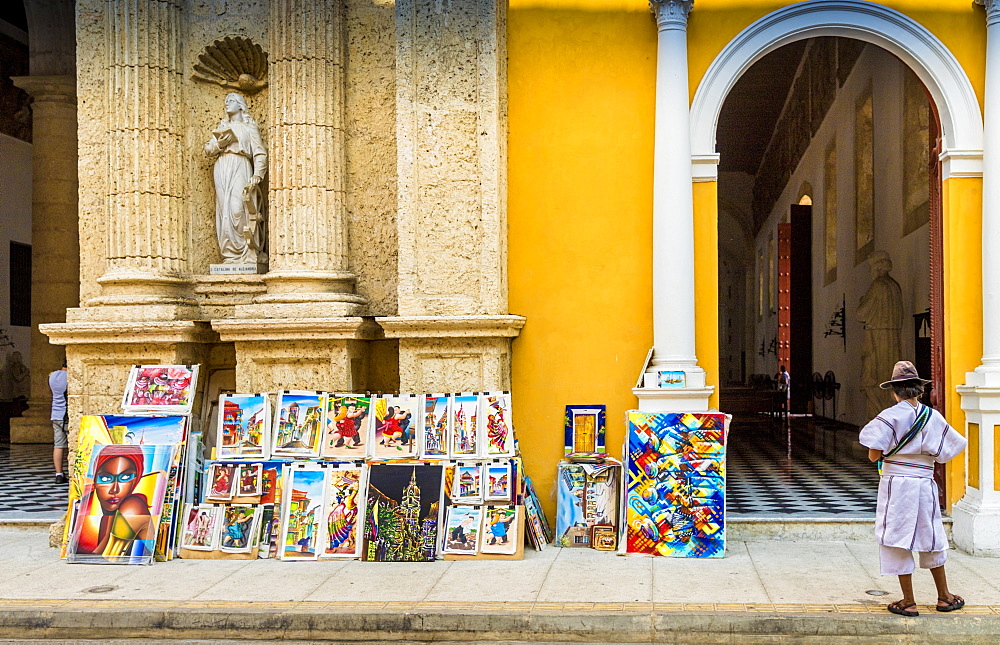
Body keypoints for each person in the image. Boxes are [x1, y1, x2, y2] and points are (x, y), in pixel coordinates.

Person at [858, 360, 967, 617]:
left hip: (897, 485)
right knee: (931, 536)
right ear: (919, 390)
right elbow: (945, 453)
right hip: (924, 483)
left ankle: (908, 601)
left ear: (895, 391)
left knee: (897, 538)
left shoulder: (888, 416)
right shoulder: (933, 417)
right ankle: (944, 596)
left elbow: (874, 455)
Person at [205, 92, 268, 265]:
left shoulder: (249, 127)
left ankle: (247, 252)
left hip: (240, 166)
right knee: (224, 211)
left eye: (231, 101)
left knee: (237, 209)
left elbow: (260, 153)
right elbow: (209, 149)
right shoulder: (222, 127)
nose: (227, 104)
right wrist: (220, 144)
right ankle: (230, 255)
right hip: (222, 167)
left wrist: (257, 175)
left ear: (240, 105)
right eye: (225, 101)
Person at [74, 445, 154, 558]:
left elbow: (107, 558)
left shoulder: (133, 507)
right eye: (106, 478)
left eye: (125, 477)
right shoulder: (94, 508)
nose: (115, 489)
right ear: (95, 481)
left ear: (136, 480)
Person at [857, 251, 904, 420]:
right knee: (890, 378)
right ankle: (891, 417)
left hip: (877, 339)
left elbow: (861, 314)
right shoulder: (895, 286)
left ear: (877, 267)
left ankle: (878, 419)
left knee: (873, 379)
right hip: (894, 339)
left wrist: (862, 302)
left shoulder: (878, 285)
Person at [49, 360, 69, 484]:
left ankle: (59, 474)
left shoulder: (52, 376)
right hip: (66, 415)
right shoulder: (70, 376)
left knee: (58, 445)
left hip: (55, 414)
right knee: (75, 444)